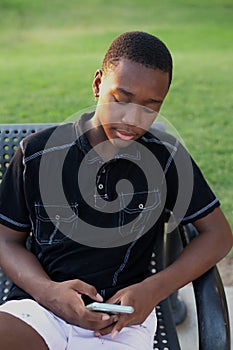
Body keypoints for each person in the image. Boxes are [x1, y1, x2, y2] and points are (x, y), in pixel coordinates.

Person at [0, 31, 232, 350]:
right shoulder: (37, 155)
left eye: (151, 107)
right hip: (41, 307)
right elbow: (6, 239)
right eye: (121, 99)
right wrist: (47, 292)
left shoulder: (167, 159)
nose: (133, 120)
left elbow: (218, 234)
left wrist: (155, 289)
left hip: (121, 318)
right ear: (98, 85)